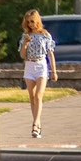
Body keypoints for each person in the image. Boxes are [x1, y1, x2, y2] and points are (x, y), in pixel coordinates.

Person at [19, 10, 57, 138]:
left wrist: (54, 71)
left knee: (39, 96)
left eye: (32, 21)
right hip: (29, 65)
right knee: (32, 97)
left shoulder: (45, 35)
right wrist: (25, 43)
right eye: (28, 22)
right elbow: (22, 55)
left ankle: (35, 124)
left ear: (37, 21)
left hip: (41, 65)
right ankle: (38, 125)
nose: (30, 24)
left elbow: (50, 54)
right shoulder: (26, 36)